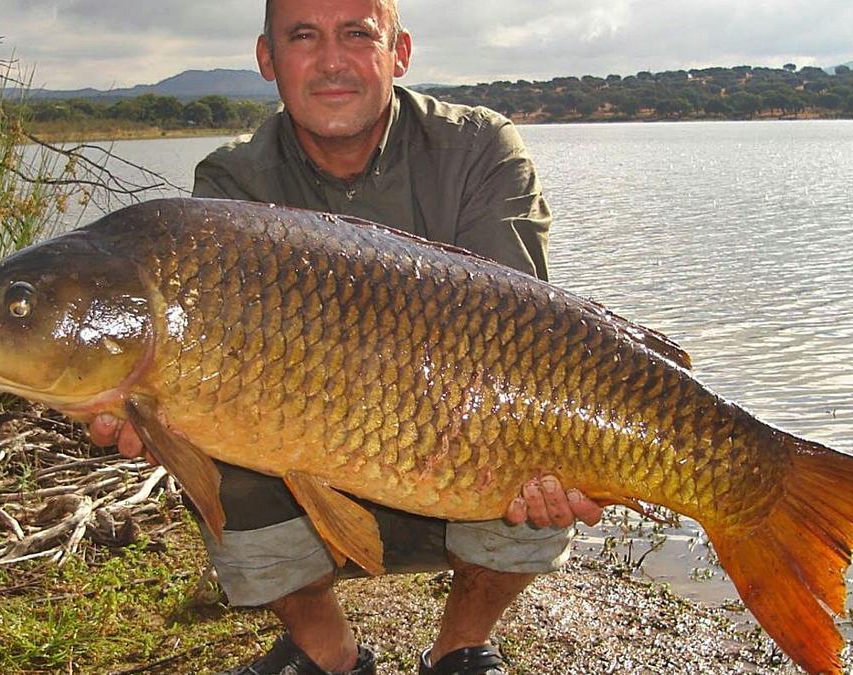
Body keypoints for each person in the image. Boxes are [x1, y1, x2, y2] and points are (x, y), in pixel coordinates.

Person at [90, 1, 603, 673]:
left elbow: (520, 342)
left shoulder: (480, 149)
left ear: (400, 50)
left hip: (451, 452)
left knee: (539, 435)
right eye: (304, 36)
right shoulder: (230, 186)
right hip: (311, 465)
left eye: (357, 34)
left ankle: (460, 647)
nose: (332, 60)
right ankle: (326, 649)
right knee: (214, 436)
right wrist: (150, 410)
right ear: (267, 58)